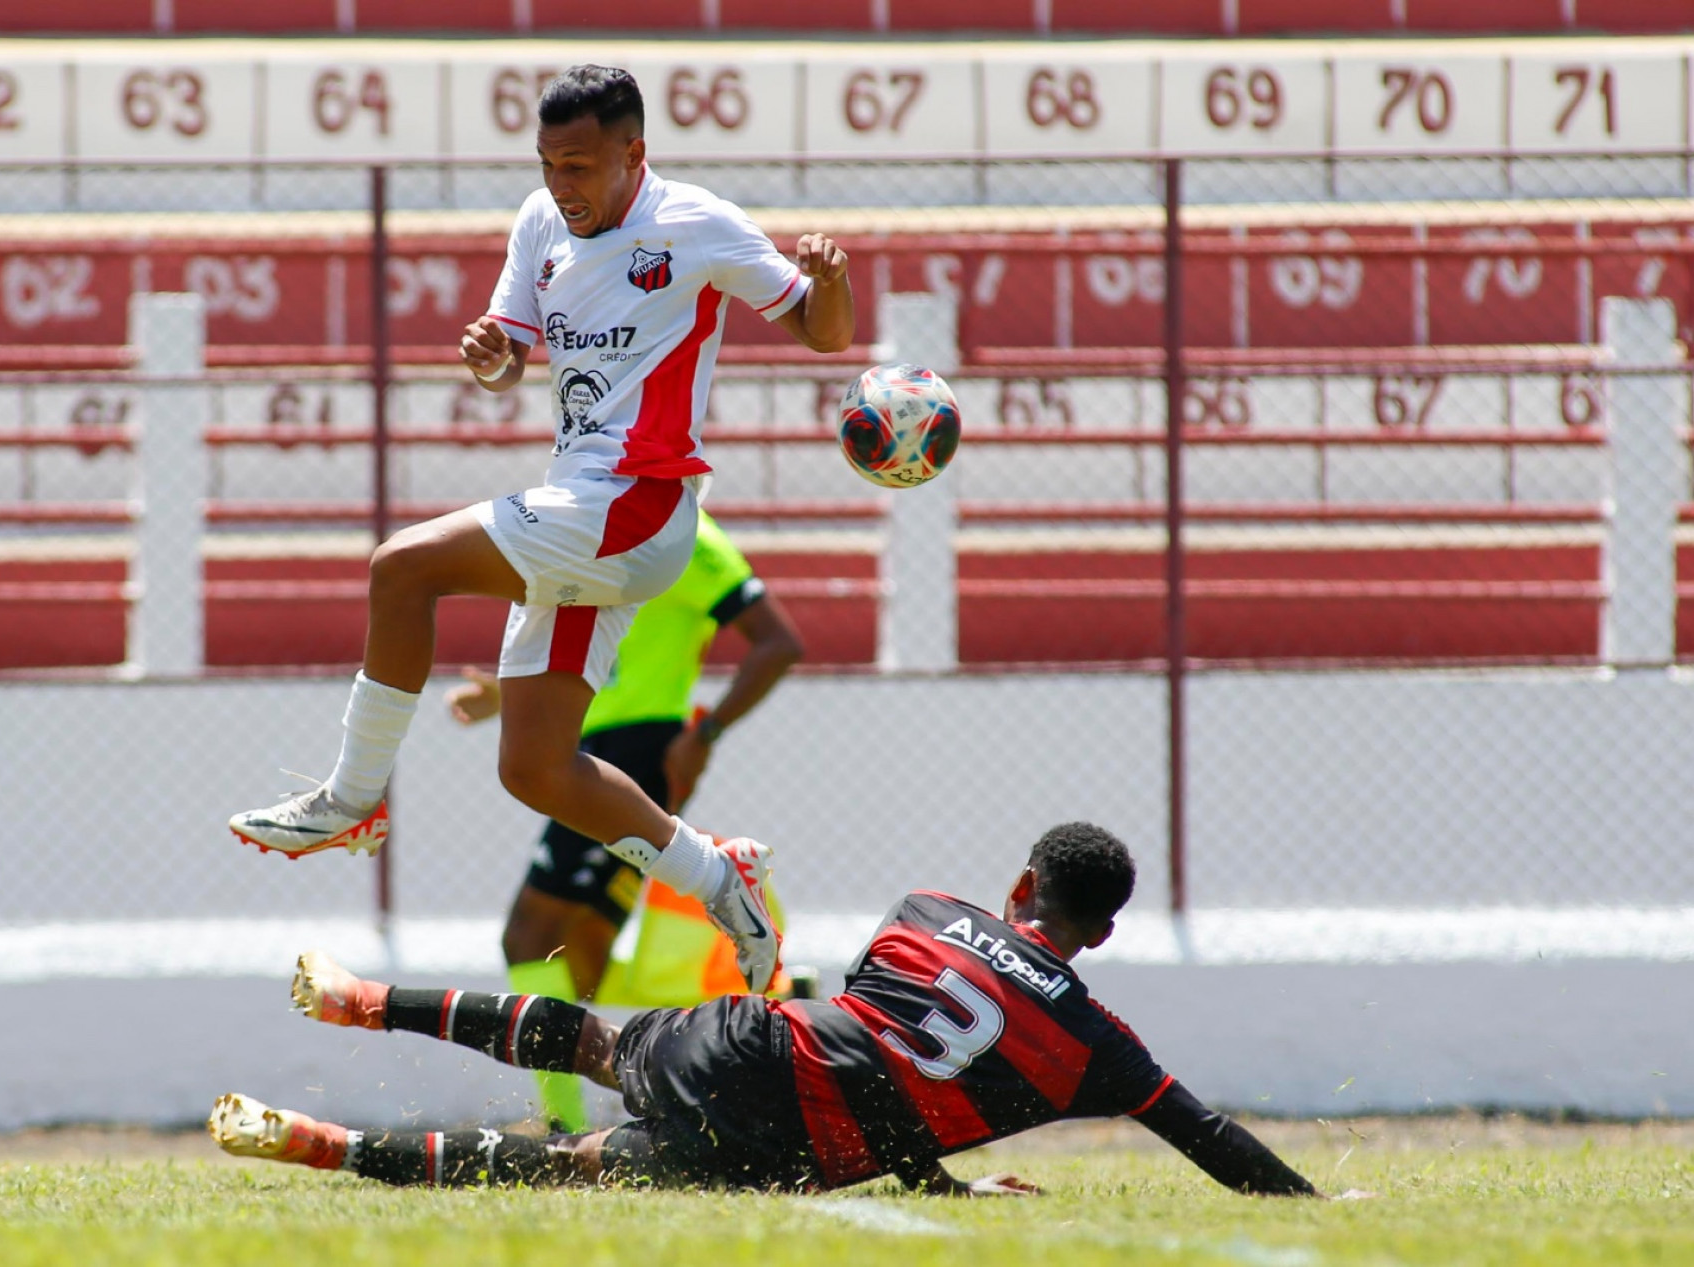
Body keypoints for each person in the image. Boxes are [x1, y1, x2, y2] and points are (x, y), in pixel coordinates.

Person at [226, 64, 855, 996]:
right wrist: (492, 360)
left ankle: (353, 799)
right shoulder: (540, 222)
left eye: (580, 164)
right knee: (534, 767)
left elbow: (824, 334)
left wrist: (829, 280)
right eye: (548, 163)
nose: (563, 184)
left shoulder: (696, 223)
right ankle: (726, 881)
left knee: (402, 568)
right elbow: (508, 356)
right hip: (581, 505)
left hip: (636, 504)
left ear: (632, 152)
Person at [208, 823, 1322, 1198]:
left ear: (1022, 887)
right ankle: (332, 1147)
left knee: (593, 1034)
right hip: (797, 1142)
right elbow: (1209, 1137)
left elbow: (870, 1039)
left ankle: (366, 1000)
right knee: (572, 1162)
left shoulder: (929, 908)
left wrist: (939, 1176)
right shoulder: (1096, 1049)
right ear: (1104, 932)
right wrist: (1315, 1197)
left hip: (760, 1043)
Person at [445, 507, 804, 1131]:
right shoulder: (614, 531)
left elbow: (779, 643)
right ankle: (768, 1014)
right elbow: (609, 655)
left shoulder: (689, 537)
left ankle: (560, 1126)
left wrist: (705, 733)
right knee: (578, 957)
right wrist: (502, 698)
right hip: (597, 748)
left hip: (634, 755)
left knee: (530, 936)